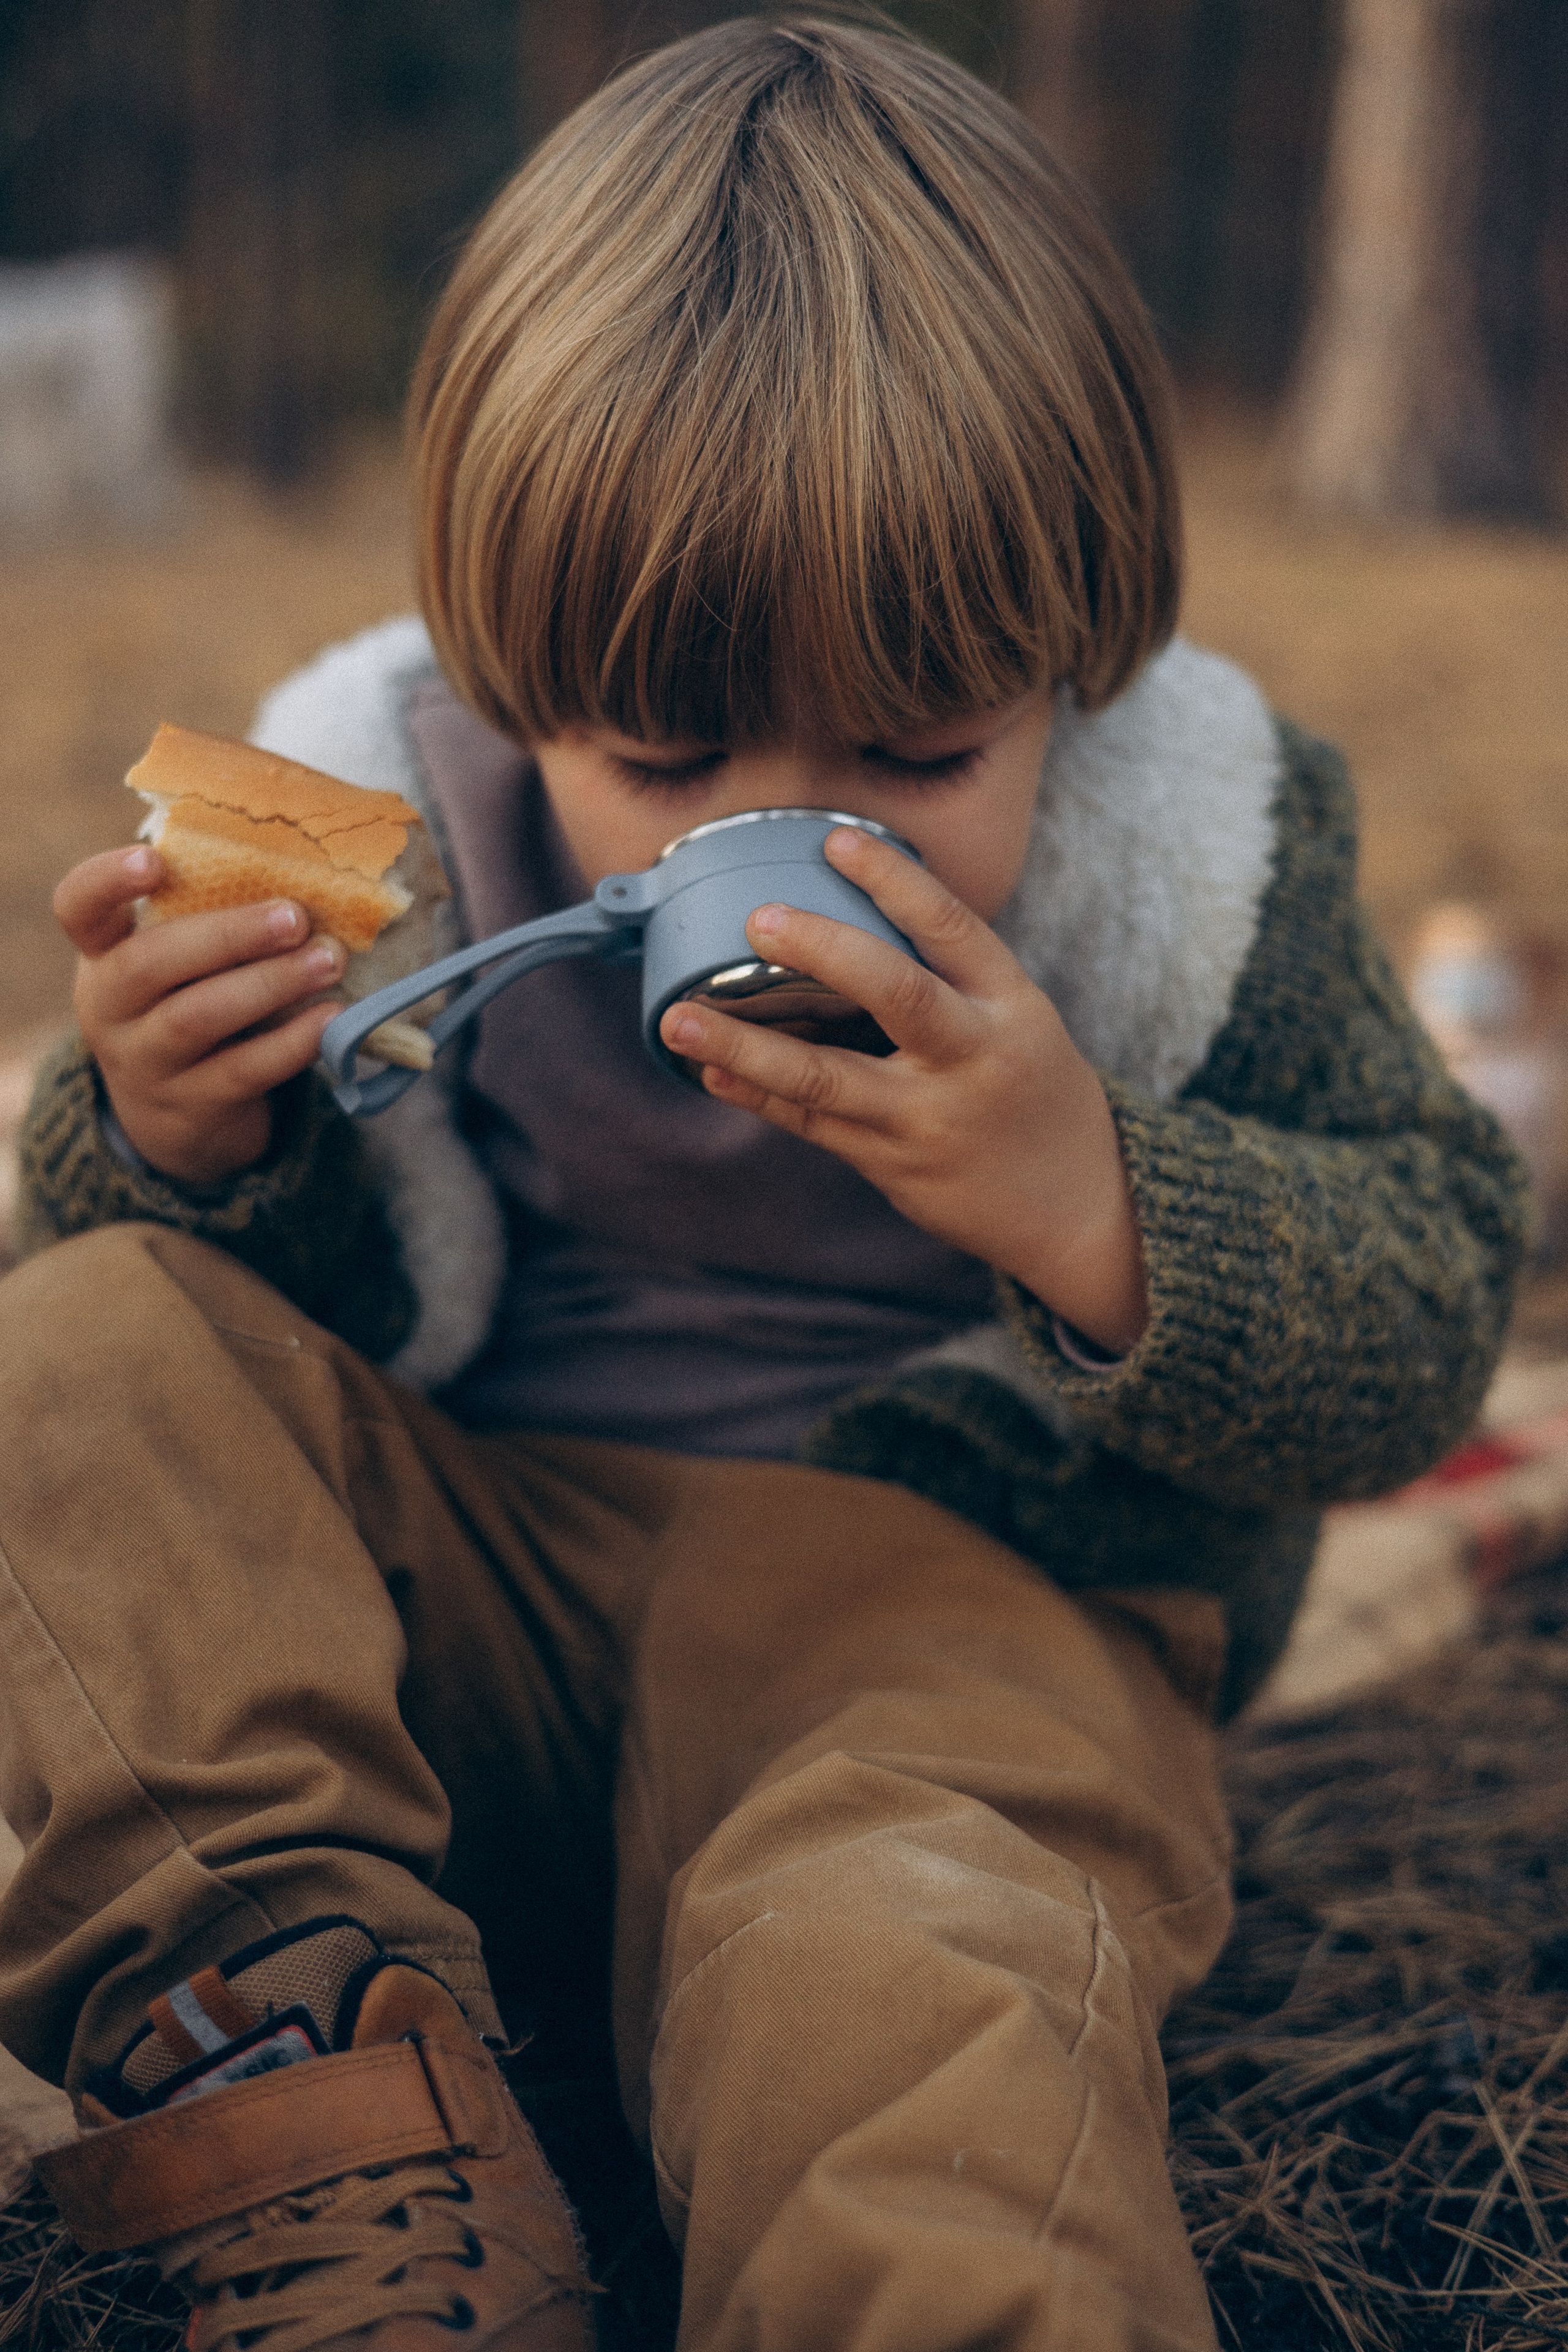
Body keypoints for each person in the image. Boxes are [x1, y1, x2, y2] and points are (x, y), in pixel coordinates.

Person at [1, 17, 1529, 2352]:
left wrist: (1098, 1198)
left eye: (920, 749)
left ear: (1073, 667)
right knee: (80, 1336)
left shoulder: (1196, 860)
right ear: (513, 687)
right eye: (663, 754)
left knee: (910, 1952)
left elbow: (1430, 1297)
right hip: (462, 1627)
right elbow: (178, 1404)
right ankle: (324, 2105)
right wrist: (185, 1133)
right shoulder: (382, 835)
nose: (788, 833)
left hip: (941, 1628)